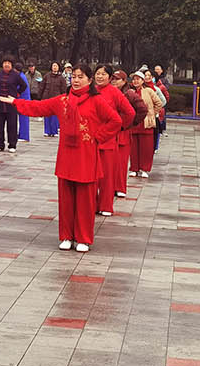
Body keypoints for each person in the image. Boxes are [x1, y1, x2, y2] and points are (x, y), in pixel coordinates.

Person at [7, 65, 119, 251]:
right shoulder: (63, 101)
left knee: (85, 200)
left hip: (87, 157)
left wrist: (97, 137)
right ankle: (66, 235)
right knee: (66, 199)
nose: (75, 80)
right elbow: (39, 107)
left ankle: (83, 238)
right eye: (73, 76)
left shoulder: (96, 101)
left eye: (80, 77)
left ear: (89, 80)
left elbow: (115, 121)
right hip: (67, 156)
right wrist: (15, 102)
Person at [92, 65, 137, 215]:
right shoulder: (90, 91)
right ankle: (91, 205)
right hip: (90, 140)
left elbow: (130, 113)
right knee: (91, 176)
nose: (99, 77)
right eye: (97, 73)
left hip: (108, 140)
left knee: (107, 175)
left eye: (103, 74)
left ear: (110, 77)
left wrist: (119, 127)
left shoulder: (115, 93)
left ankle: (105, 206)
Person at [110, 70, 145, 195]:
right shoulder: (107, 91)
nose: (114, 81)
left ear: (124, 81)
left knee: (121, 163)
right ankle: (110, 187)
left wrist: (130, 124)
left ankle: (120, 188)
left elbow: (142, 109)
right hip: (109, 132)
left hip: (122, 133)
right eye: (112, 78)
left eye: (117, 79)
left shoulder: (130, 94)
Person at [127, 71, 161, 177]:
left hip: (146, 123)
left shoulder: (149, 91)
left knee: (146, 147)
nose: (136, 81)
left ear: (142, 81)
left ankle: (144, 168)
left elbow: (159, 103)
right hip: (134, 122)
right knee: (134, 147)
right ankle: (134, 168)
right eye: (134, 79)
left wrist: (152, 113)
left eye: (138, 79)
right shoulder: (130, 92)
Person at [40, 61, 68, 136]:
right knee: (47, 115)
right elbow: (42, 87)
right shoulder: (47, 76)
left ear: (58, 67)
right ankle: (47, 131)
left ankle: (54, 131)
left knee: (55, 116)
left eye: (56, 66)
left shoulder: (61, 78)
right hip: (47, 98)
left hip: (57, 99)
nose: (55, 67)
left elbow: (63, 90)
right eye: (53, 66)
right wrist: (40, 97)